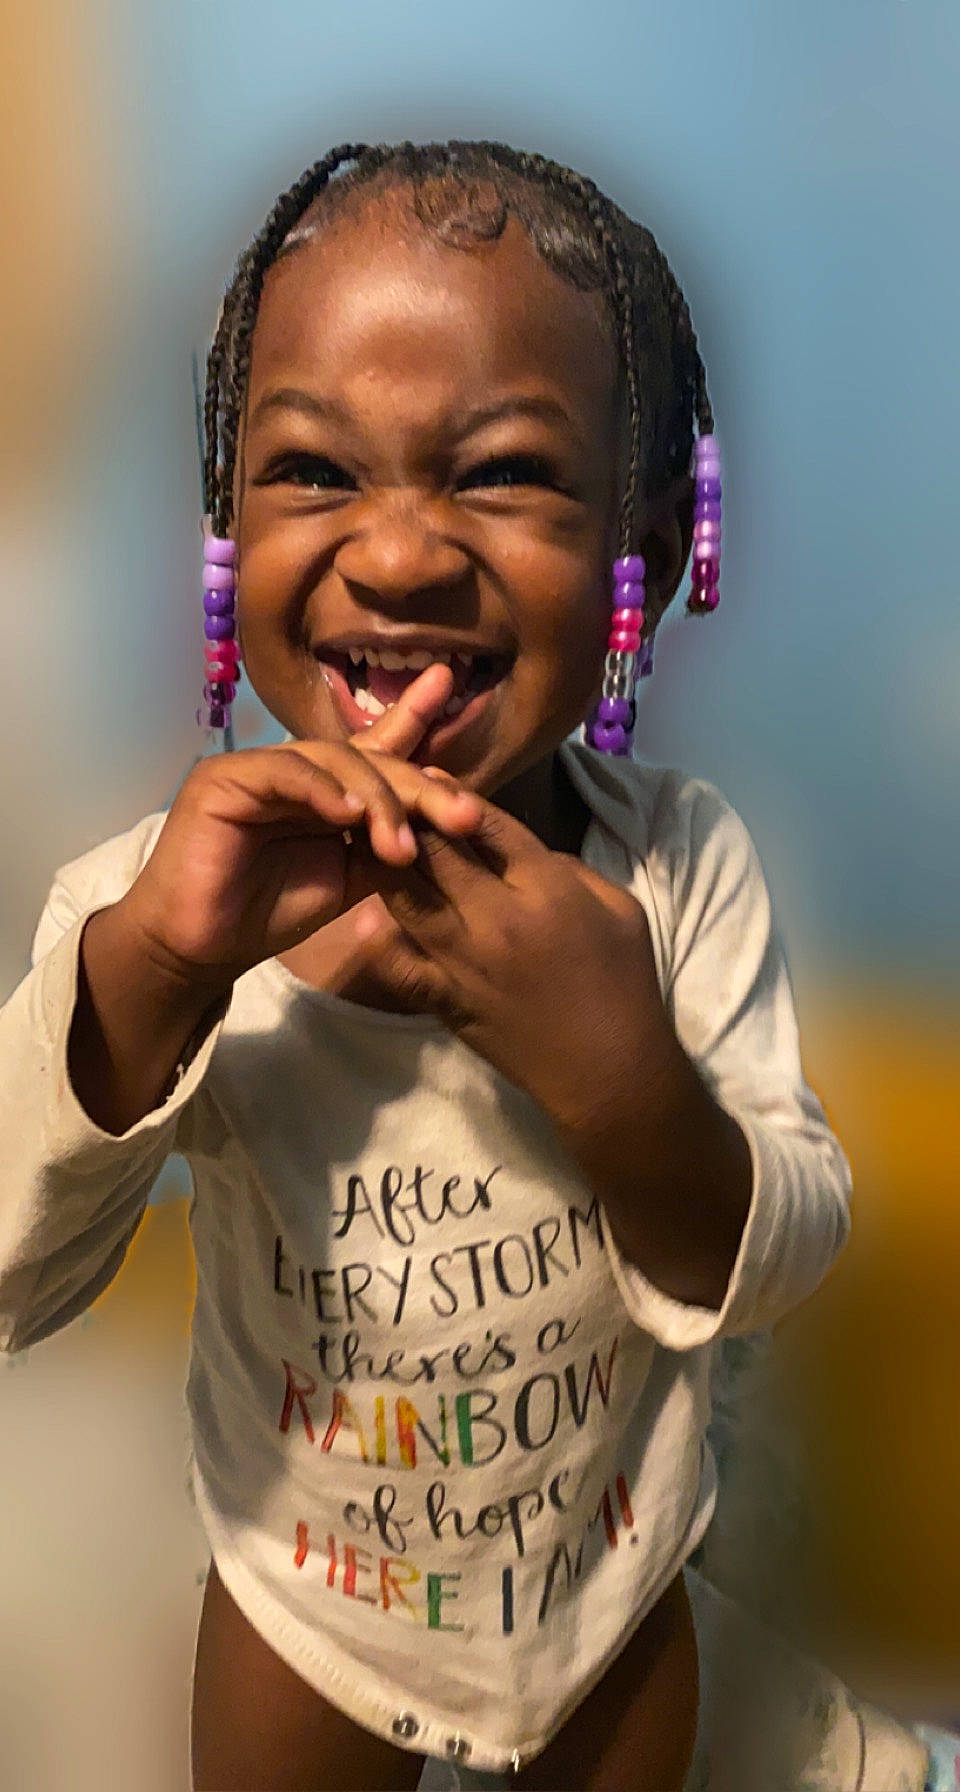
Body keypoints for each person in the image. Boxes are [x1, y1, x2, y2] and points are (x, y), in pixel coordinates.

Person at [0, 139, 865, 1791]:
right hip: (303, 1611)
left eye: (502, 473)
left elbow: (785, 1247)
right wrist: (146, 983)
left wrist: (624, 1082)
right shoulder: (168, 901)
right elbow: (13, 1276)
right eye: (313, 474)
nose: (396, 556)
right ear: (219, 534)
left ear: (658, 551)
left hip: (603, 1599)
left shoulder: (677, 873)